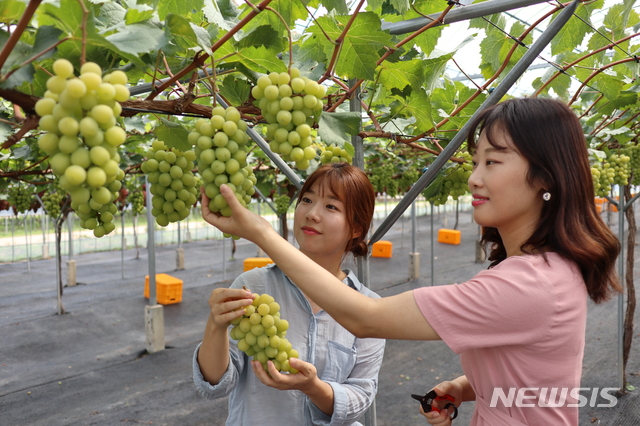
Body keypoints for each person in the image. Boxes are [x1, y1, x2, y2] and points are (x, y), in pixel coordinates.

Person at [200, 97, 621, 426]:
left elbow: (366, 318)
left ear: (545, 177)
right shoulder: (534, 272)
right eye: (476, 162)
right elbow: (531, 380)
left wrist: (259, 232)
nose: (474, 177)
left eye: (492, 161)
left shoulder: (529, 285)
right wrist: (464, 386)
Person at [193, 163, 386, 425]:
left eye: (331, 206)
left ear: (355, 228)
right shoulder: (254, 285)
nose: (312, 214)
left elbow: (360, 397)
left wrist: (313, 387)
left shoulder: (368, 308)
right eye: (307, 200)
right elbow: (215, 385)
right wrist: (215, 326)